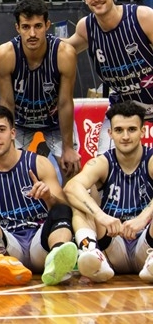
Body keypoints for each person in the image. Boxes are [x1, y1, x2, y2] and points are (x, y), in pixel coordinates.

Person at [0, 105, 78, 287]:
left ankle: (57, 259)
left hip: (41, 240)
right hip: (9, 244)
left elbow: (65, 208)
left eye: (1, 130)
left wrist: (49, 197)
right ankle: (2, 262)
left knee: (60, 209)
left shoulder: (39, 163)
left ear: (13, 133)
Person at [63, 0, 153, 153]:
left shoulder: (143, 17)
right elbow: (63, 49)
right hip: (124, 111)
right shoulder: (86, 28)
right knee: (104, 162)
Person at [63, 101, 153, 283]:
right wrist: (102, 216)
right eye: (119, 130)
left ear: (143, 132)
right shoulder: (103, 162)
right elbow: (71, 187)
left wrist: (143, 217)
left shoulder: (150, 159)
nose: (125, 136)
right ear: (110, 133)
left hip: (147, 244)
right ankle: (92, 255)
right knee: (80, 202)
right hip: (112, 243)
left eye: (132, 129)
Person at [0, 0, 81, 180]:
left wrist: (67, 148)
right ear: (17, 28)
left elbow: (65, 103)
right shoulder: (5, 54)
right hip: (19, 121)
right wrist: (7, 142)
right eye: (26, 27)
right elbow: (7, 103)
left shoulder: (64, 53)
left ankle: (70, 209)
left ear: (47, 25)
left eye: (38, 26)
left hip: (54, 120)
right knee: (7, 167)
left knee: (71, 169)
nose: (32, 33)